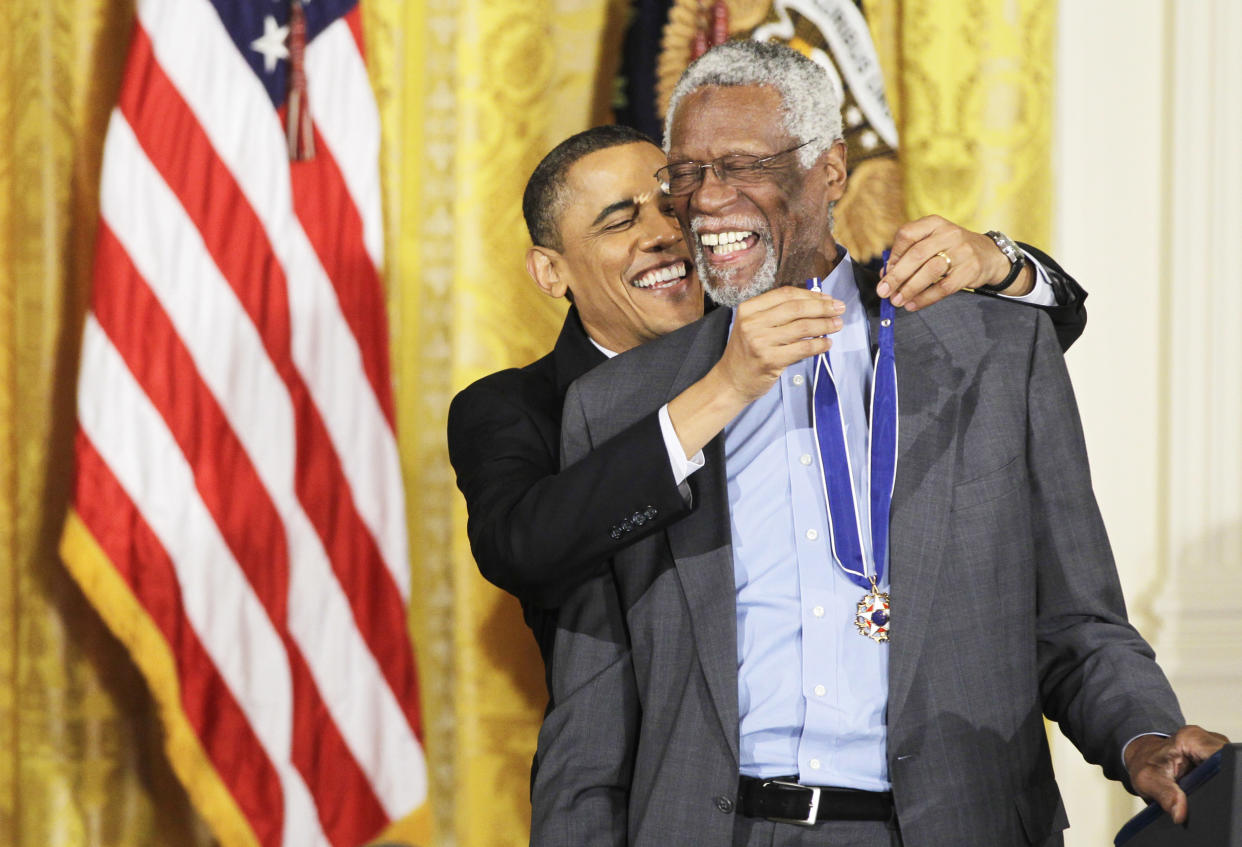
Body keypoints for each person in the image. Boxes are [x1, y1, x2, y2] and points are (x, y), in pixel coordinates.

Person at [530, 41, 1226, 847]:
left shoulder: (990, 352)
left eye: (740, 164)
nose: (706, 200)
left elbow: (1077, 623)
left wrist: (1143, 736)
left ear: (828, 171)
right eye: (685, 172)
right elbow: (590, 714)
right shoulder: (629, 406)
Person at [447, 125, 1086, 693]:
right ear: (550, 271)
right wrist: (724, 389)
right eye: (619, 222)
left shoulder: (778, 319)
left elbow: (1029, 337)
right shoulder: (514, 408)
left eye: (671, 206)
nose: (665, 234)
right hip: (653, 793)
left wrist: (999, 262)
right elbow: (523, 549)